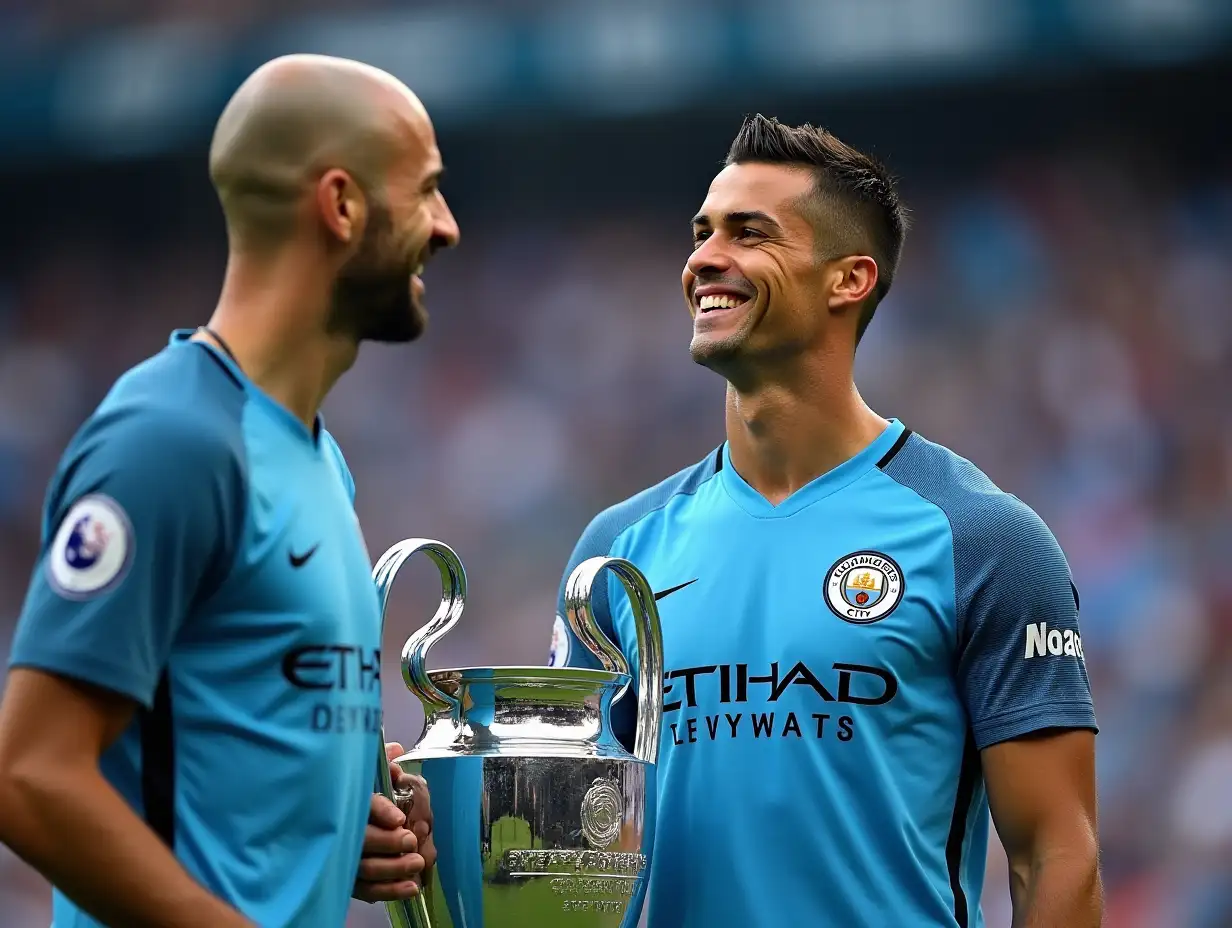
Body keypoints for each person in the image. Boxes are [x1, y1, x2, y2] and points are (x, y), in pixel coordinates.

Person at [550, 114, 1101, 928]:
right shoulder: (615, 554)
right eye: (702, 232)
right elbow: (566, 850)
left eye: (749, 234)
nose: (704, 257)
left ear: (848, 279)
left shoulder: (982, 541)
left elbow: (1057, 856)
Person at [0, 53, 458, 928]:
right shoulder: (171, 441)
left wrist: (329, 826)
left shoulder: (317, 460)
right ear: (342, 205)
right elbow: (30, 774)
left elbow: (207, 759)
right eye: (427, 189)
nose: (446, 226)